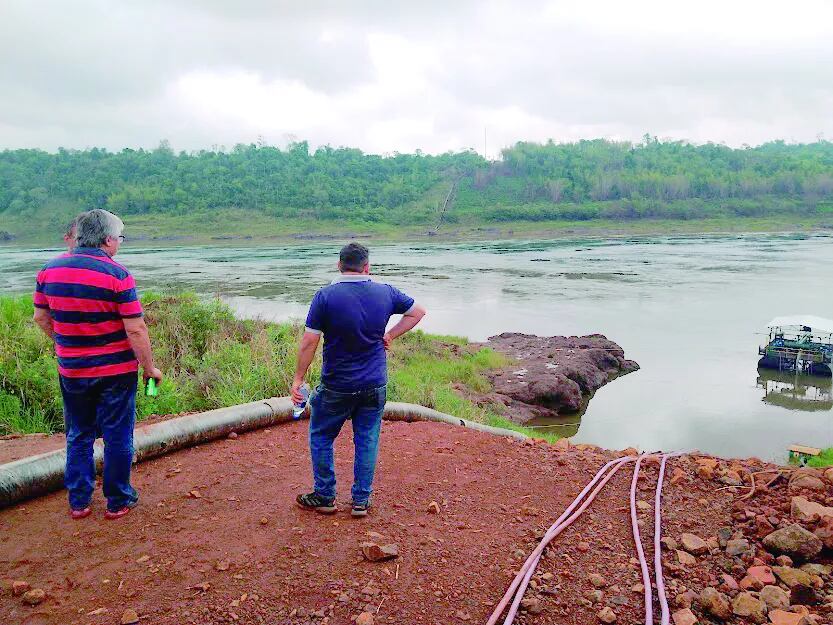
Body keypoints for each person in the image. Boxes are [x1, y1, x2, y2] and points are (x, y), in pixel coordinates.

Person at [32, 209, 162, 520]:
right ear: (107, 239)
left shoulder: (48, 271)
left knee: (78, 433)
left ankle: (79, 501)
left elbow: (41, 317)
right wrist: (149, 368)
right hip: (116, 373)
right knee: (118, 435)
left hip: (72, 370)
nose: (120, 243)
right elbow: (136, 329)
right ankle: (118, 500)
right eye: (120, 238)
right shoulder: (117, 275)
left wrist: (65, 344)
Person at [292, 243, 426, 517]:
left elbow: (309, 342)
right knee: (367, 439)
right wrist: (390, 335)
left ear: (339, 265)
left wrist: (298, 379)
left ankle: (325, 496)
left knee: (321, 436)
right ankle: (361, 501)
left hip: (336, 385)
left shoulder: (325, 296)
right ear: (367, 266)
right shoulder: (386, 292)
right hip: (374, 383)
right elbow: (417, 312)